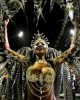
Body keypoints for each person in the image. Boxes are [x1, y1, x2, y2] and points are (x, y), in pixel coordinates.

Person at [1, 18, 77, 100]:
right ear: (33, 49)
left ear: (47, 48)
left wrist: (76, 27)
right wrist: (4, 27)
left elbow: (72, 48)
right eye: (36, 44)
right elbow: (6, 49)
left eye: (42, 44)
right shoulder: (27, 62)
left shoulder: (53, 63)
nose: (39, 45)